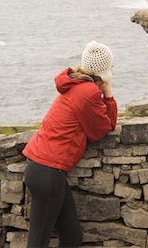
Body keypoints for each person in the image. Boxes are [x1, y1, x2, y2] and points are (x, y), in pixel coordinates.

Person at [23, 41, 117, 248]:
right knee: (38, 243)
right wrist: (108, 92)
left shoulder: (75, 85)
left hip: (43, 169)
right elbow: (102, 128)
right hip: (48, 172)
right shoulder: (88, 92)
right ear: (105, 70)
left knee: (72, 236)